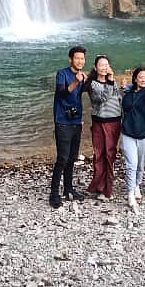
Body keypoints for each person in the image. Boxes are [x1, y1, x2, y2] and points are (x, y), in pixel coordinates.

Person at [50, 45, 88, 209]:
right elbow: (62, 93)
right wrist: (76, 82)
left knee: (72, 157)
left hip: (75, 121)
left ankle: (68, 189)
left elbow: (80, 98)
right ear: (71, 59)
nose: (80, 61)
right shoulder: (62, 73)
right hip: (62, 121)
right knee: (62, 158)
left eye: (82, 58)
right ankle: (54, 194)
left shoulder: (83, 77)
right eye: (77, 58)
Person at [121, 67, 145, 209]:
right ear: (135, 79)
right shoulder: (128, 93)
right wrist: (123, 90)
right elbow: (124, 106)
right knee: (131, 164)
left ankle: (137, 184)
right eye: (141, 77)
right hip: (128, 133)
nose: (143, 79)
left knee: (140, 164)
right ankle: (130, 193)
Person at [87, 55, 123, 201]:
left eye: (106, 65)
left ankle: (107, 188)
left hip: (115, 122)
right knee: (100, 155)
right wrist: (111, 80)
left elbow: (118, 98)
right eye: (101, 65)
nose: (104, 67)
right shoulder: (93, 84)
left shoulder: (111, 82)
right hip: (100, 122)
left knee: (110, 155)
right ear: (95, 68)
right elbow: (103, 98)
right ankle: (100, 187)